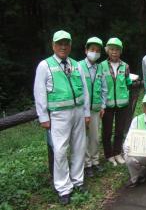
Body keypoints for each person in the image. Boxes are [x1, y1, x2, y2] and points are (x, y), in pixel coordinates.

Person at [34, 30, 90, 205]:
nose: (63, 47)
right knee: (59, 151)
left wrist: (87, 112)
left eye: (66, 43)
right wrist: (43, 116)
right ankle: (63, 188)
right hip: (58, 115)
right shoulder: (45, 65)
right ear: (53, 45)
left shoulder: (76, 65)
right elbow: (39, 92)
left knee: (79, 147)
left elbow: (85, 90)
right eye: (60, 43)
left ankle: (77, 181)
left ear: (70, 45)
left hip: (78, 111)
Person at [100, 37, 132, 166]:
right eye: (112, 49)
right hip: (107, 104)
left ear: (120, 51)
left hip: (122, 104)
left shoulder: (125, 66)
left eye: (117, 50)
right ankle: (109, 155)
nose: (114, 52)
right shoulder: (101, 66)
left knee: (120, 130)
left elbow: (128, 82)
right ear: (107, 50)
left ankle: (117, 153)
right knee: (107, 131)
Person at [79, 37, 107, 177]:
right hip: (82, 110)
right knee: (84, 137)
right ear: (86, 50)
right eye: (92, 50)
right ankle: (86, 164)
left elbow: (104, 88)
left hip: (96, 108)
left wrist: (103, 105)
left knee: (95, 137)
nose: (94, 52)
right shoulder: (78, 66)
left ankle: (95, 162)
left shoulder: (100, 67)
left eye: (97, 50)